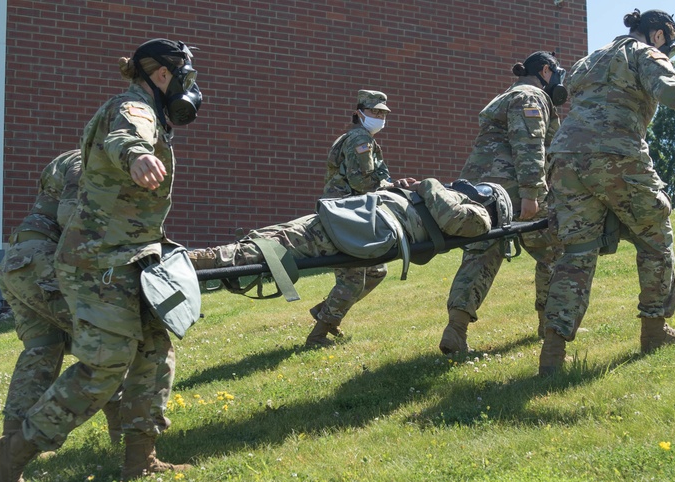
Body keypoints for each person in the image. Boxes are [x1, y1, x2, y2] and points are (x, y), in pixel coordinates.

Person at [0, 38, 203, 482]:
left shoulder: (147, 111)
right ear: (162, 73)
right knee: (105, 364)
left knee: (154, 349)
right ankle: (11, 453)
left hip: (131, 256)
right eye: (184, 74)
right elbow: (127, 136)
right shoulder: (133, 107)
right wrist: (138, 156)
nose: (190, 84)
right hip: (97, 262)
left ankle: (139, 460)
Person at [540, 8, 675, 376]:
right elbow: (667, 87)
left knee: (577, 251)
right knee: (654, 237)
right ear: (660, 35)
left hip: (565, 157)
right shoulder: (645, 53)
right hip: (615, 153)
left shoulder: (589, 58)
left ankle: (552, 352)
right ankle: (654, 330)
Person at [0, 150, 174, 446]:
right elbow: (73, 215)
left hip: (20, 264)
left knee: (42, 350)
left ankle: (8, 445)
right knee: (115, 341)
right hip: (45, 263)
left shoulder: (69, 159)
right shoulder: (88, 160)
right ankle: (130, 444)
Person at [439, 51, 563, 355]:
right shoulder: (530, 96)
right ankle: (551, 327)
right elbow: (529, 144)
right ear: (546, 71)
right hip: (512, 190)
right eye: (557, 72)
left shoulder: (507, 95)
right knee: (557, 251)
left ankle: (456, 330)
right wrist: (532, 194)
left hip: (481, 191)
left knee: (481, 253)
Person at [188, 178, 510, 274]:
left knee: (267, 249)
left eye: (480, 189)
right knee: (268, 236)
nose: (466, 185)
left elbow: (453, 218)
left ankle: (189, 262)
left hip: (360, 229)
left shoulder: (479, 217)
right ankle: (193, 260)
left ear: (491, 203)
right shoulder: (448, 200)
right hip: (355, 218)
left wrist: (428, 185)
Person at [306, 90, 395, 347]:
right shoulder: (359, 137)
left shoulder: (359, 136)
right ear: (359, 112)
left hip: (352, 214)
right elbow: (362, 181)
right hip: (345, 216)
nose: (379, 116)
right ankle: (318, 335)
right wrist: (390, 187)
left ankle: (326, 312)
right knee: (354, 278)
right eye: (374, 112)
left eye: (383, 113)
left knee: (377, 270)